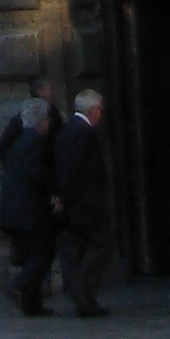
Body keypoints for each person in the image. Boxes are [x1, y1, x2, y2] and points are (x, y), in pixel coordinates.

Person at [0, 94, 61, 313]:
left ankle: (32, 304)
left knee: (30, 256)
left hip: (14, 210)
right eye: (48, 120)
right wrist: (53, 194)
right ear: (41, 120)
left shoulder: (19, 141)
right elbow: (37, 173)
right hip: (28, 211)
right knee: (44, 251)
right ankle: (18, 286)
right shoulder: (34, 141)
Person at [54, 87, 113, 319]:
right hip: (86, 203)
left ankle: (84, 299)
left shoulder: (66, 130)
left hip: (72, 205)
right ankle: (82, 290)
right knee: (101, 244)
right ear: (93, 109)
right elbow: (79, 171)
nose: (101, 114)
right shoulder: (85, 134)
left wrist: (61, 198)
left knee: (80, 247)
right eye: (100, 109)